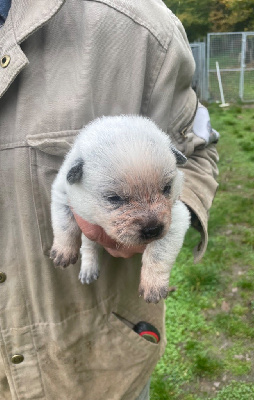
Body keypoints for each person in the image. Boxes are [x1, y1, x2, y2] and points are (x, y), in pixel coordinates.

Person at [0, 0, 219, 399]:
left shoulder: (140, 26)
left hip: (99, 364)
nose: (154, 218)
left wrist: (178, 213)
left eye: (163, 190)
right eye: (118, 197)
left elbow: (198, 148)